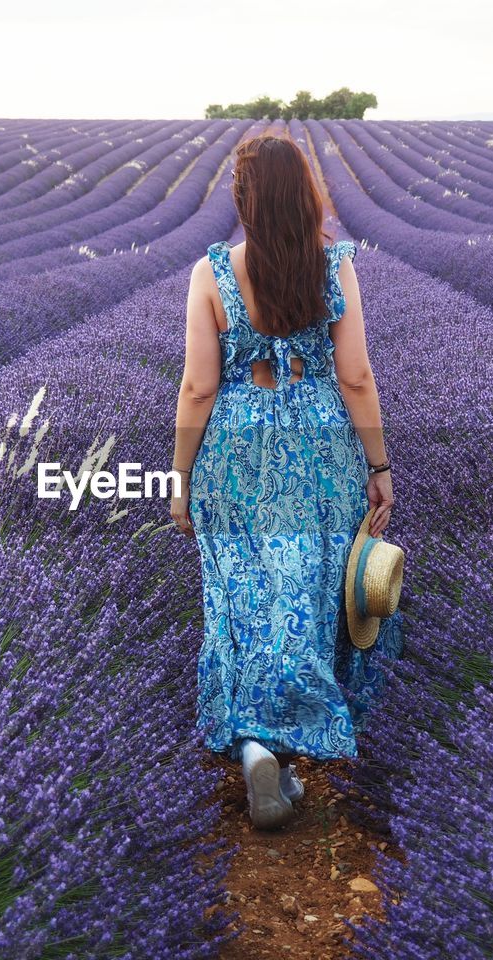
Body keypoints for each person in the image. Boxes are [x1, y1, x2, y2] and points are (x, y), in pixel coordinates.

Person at [169, 133, 403, 830]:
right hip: (320, 452)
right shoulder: (336, 268)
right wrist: (380, 466)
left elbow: (196, 389)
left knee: (240, 605)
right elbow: (357, 376)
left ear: (242, 200)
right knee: (308, 600)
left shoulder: (210, 275)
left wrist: (179, 478)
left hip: (233, 457)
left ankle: (252, 749)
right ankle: (287, 754)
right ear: (306, 197)